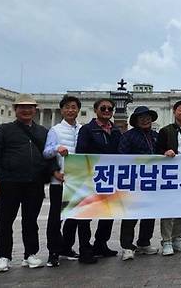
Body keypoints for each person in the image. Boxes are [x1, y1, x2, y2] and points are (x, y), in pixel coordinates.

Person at [0, 94, 56, 272]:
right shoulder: (4, 129)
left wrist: (54, 172)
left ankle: (30, 254)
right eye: (22, 107)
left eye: (29, 107)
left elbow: (49, 156)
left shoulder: (43, 131)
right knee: (4, 221)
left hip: (34, 182)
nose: (26, 110)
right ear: (15, 109)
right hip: (10, 181)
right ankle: (3, 256)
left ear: (35, 110)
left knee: (31, 221)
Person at [43, 95, 97, 267]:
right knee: (56, 217)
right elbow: (46, 152)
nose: (70, 110)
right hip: (60, 179)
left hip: (78, 180)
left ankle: (66, 247)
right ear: (61, 110)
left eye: (74, 107)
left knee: (75, 216)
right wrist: (57, 150)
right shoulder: (55, 130)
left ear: (78, 110)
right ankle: (53, 252)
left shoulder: (83, 129)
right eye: (67, 107)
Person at [75, 98, 121, 259]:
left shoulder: (115, 130)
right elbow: (81, 152)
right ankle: (85, 248)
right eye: (103, 108)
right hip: (91, 175)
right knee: (86, 214)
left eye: (110, 109)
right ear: (96, 110)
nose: (107, 111)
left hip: (110, 177)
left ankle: (101, 243)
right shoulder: (87, 130)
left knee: (108, 213)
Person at [117, 106, 161, 261]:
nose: (145, 119)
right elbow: (122, 156)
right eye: (141, 117)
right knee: (130, 215)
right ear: (135, 120)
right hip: (134, 181)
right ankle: (127, 246)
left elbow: (161, 154)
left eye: (148, 117)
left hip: (152, 181)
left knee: (149, 214)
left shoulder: (156, 136)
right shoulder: (128, 136)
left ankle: (144, 242)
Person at [155, 100, 181, 256]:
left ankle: (176, 237)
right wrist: (165, 153)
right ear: (174, 111)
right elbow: (157, 150)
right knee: (169, 207)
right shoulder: (165, 131)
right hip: (171, 173)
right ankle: (166, 240)